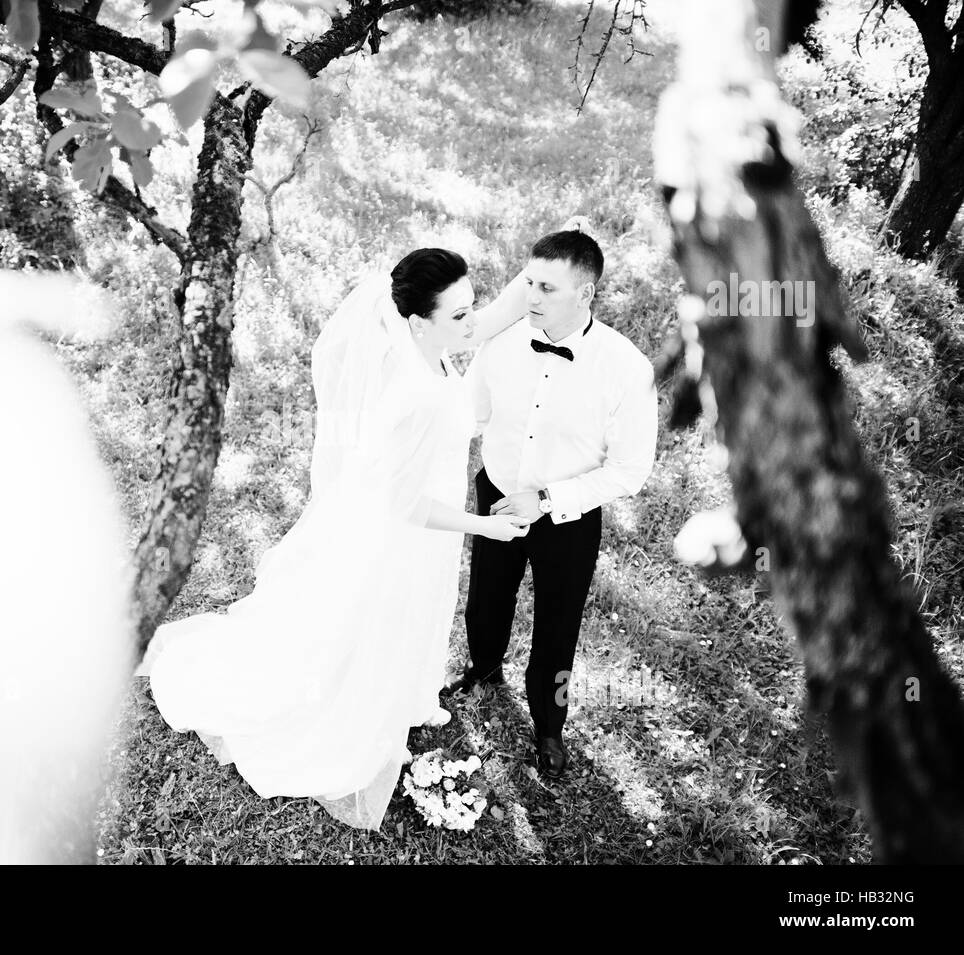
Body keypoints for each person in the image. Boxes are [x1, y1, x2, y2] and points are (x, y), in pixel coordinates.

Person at [138, 248, 531, 830]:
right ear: (419, 323)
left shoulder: (434, 351)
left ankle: (408, 698)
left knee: (418, 613)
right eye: (459, 316)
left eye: (472, 306)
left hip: (426, 524)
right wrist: (485, 526)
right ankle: (367, 712)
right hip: (407, 530)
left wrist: (539, 276)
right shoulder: (415, 394)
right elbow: (402, 504)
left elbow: (484, 321)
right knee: (382, 621)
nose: (472, 323)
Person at [454, 227, 659, 780]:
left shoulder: (626, 368)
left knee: (557, 622)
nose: (531, 298)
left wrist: (545, 499)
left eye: (546, 287)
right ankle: (483, 668)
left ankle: (547, 724)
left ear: (585, 293)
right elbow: (469, 416)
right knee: (486, 597)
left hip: (567, 513)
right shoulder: (499, 344)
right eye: (528, 283)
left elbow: (630, 470)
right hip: (497, 495)